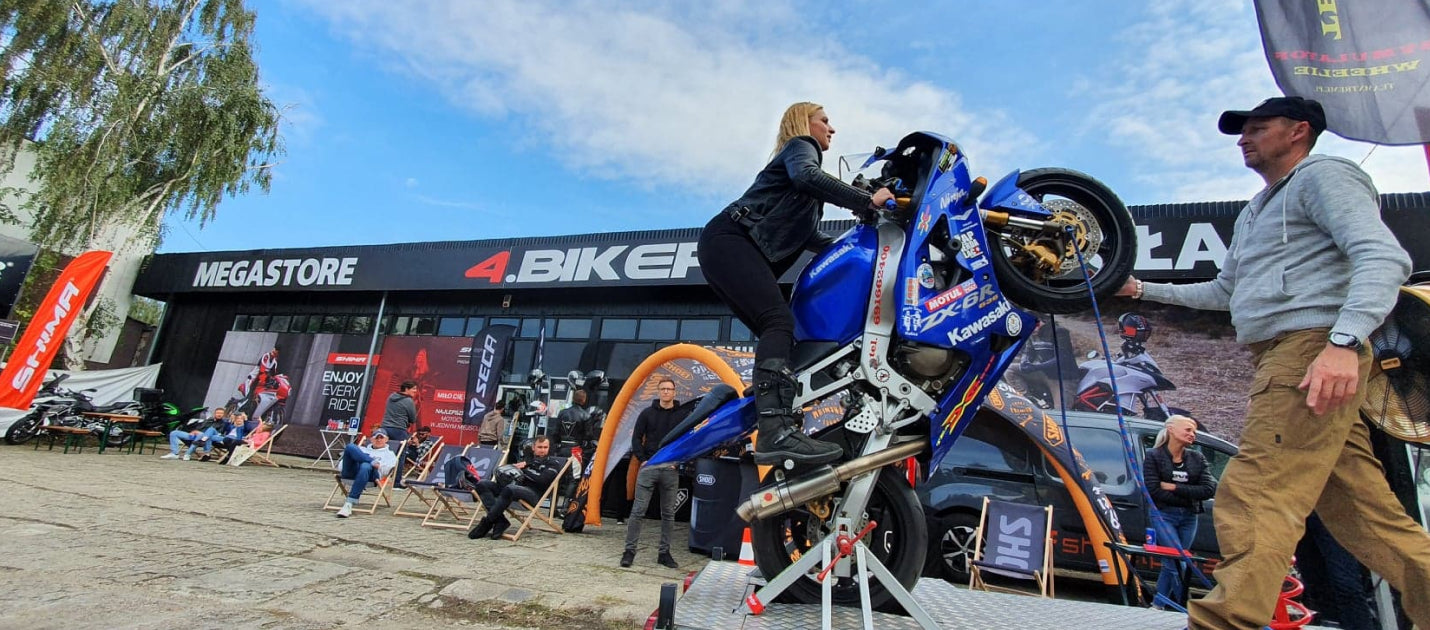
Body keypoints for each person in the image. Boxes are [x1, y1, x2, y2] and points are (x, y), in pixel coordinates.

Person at [1118, 96, 1428, 629]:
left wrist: (1343, 343)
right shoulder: (1256, 210)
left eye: (1258, 127)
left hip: (1312, 350)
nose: (1244, 138)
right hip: (1291, 355)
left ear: (1299, 132)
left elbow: (1384, 257)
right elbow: (1224, 291)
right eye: (1243, 131)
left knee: (1254, 491)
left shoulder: (1325, 177)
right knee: (1363, 514)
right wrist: (1141, 288)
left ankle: (1225, 622)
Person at [697, 101, 894, 467]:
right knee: (778, 321)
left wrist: (865, 237)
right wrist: (869, 202)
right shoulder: (802, 148)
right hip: (729, 240)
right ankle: (776, 430)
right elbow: (808, 176)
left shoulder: (802, 195)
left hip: (724, 247)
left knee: (782, 335)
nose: (831, 128)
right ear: (805, 123)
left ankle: (772, 403)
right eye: (825, 120)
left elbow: (814, 239)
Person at [1142, 415, 1216, 608]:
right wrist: (1190, 494)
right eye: (1188, 430)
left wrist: (1174, 488)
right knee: (1178, 560)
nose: (1192, 434)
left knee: (1172, 561)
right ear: (1171, 429)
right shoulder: (1154, 456)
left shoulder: (1197, 458)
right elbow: (1154, 490)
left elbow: (1208, 489)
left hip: (1189, 517)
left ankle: (1158, 605)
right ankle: (1186, 606)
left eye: (1194, 431)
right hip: (1163, 515)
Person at [621, 377, 685, 569]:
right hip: (649, 467)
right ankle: (629, 551)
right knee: (638, 511)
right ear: (659, 392)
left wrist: (678, 462)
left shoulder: (682, 415)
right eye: (663, 389)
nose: (666, 392)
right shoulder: (647, 413)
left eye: (669, 389)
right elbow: (635, 438)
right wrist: (643, 460)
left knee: (668, 514)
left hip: (670, 469)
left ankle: (664, 553)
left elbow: (687, 440)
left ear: (674, 392)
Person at [467, 435, 565, 540]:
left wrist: (524, 470)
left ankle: (487, 522)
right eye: (540, 447)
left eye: (545, 447)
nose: (543, 450)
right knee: (483, 484)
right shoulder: (528, 460)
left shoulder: (553, 463)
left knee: (510, 489)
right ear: (533, 447)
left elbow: (543, 480)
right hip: (514, 490)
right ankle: (500, 521)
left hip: (534, 494)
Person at [335, 429, 400, 518]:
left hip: (371, 477)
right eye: (376, 437)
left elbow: (386, 471)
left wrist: (373, 465)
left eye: (381, 437)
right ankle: (371, 461)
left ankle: (349, 503)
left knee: (365, 466)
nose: (379, 440)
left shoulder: (389, 454)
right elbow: (341, 467)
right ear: (371, 440)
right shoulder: (361, 449)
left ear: (387, 439)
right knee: (350, 446)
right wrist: (371, 461)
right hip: (351, 473)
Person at [1018, 317, 1079, 408]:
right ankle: (1028, 400)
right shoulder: (1032, 334)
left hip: (1063, 377)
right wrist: (1024, 363)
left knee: (1061, 411)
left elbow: (1061, 359)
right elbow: (1029, 352)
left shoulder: (1059, 332)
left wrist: (1036, 367)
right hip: (1045, 373)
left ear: (1039, 323)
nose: (1030, 332)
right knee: (1010, 370)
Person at [380, 380, 419, 486]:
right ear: (406, 389)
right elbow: (412, 418)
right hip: (399, 429)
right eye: (413, 389)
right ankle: (396, 482)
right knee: (400, 455)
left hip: (385, 428)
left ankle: (378, 477)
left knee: (384, 453)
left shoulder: (391, 397)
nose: (415, 391)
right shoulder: (409, 401)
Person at [161, 407, 233, 461]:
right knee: (174, 433)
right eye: (218, 413)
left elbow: (218, 433)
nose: (219, 415)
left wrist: (201, 433)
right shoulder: (208, 420)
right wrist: (195, 431)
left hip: (209, 437)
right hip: (196, 436)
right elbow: (199, 427)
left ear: (224, 415)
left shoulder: (224, 423)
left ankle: (187, 454)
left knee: (201, 434)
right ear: (215, 413)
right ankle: (174, 453)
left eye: (221, 413)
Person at [548, 390, 591, 458]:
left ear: (573, 399)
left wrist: (557, 444)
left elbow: (555, 432)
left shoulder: (562, 412)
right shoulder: (586, 415)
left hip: (562, 447)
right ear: (584, 400)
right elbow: (588, 435)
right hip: (576, 449)